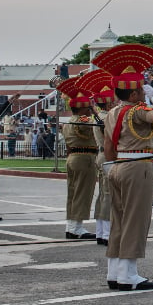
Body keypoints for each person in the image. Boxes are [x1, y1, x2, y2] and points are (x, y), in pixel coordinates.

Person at [95, 44, 153, 291]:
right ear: (136, 93)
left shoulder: (113, 112)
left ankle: (115, 272)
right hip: (137, 166)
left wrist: (110, 165)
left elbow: (108, 144)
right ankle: (129, 275)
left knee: (118, 220)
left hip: (117, 165)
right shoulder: (138, 111)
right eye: (140, 90)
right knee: (135, 221)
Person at [75, 69, 117, 245]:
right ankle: (106, 233)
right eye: (113, 101)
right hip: (107, 156)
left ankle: (101, 231)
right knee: (109, 195)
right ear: (108, 104)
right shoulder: (106, 117)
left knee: (103, 195)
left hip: (101, 155)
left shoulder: (101, 116)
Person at [57, 78, 98, 239]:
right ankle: (77, 227)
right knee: (83, 193)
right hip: (84, 158)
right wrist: (95, 113)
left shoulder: (69, 122)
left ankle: (72, 226)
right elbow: (100, 124)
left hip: (73, 157)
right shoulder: (84, 121)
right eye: (88, 107)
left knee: (73, 193)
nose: (90, 110)